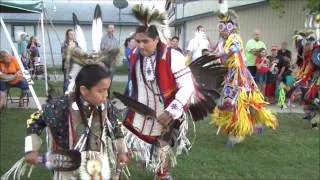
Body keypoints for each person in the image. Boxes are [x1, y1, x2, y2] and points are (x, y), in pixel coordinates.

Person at [124, 4, 196, 179]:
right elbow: (135, 82)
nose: (140, 45)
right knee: (138, 140)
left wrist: (170, 112)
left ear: (156, 40)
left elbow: (188, 86)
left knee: (162, 143)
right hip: (143, 106)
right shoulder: (134, 54)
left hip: (168, 107)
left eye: (145, 41)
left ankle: (162, 174)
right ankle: (141, 164)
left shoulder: (172, 56)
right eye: (137, 40)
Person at [22, 64, 129, 179]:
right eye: (101, 91)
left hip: (95, 166)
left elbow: (116, 126)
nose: (106, 95)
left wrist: (122, 151)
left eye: (107, 90)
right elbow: (35, 121)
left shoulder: (105, 106)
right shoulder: (61, 105)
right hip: (67, 165)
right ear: (84, 90)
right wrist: (31, 149)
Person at [211, 3, 277, 147]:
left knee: (239, 102)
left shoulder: (234, 37)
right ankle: (248, 126)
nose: (221, 31)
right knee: (232, 101)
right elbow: (222, 56)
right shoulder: (223, 41)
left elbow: (237, 47)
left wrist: (222, 53)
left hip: (239, 76)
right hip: (230, 74)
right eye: (219, 27)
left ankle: (239, 133)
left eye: (223, 27)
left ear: (230, 27)